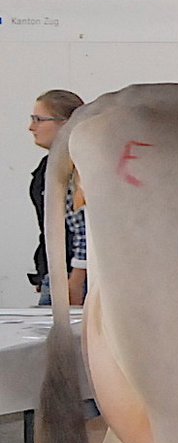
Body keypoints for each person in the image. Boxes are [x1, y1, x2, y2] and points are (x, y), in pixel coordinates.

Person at [27, 90, 88, 307]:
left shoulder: (76, 167)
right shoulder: (49, 166)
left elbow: (84, 229)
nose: (31, 127)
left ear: (65, 124)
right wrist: (43, 269)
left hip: (73, 278)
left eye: (39, 120)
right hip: (57, 275)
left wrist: (76, 280)